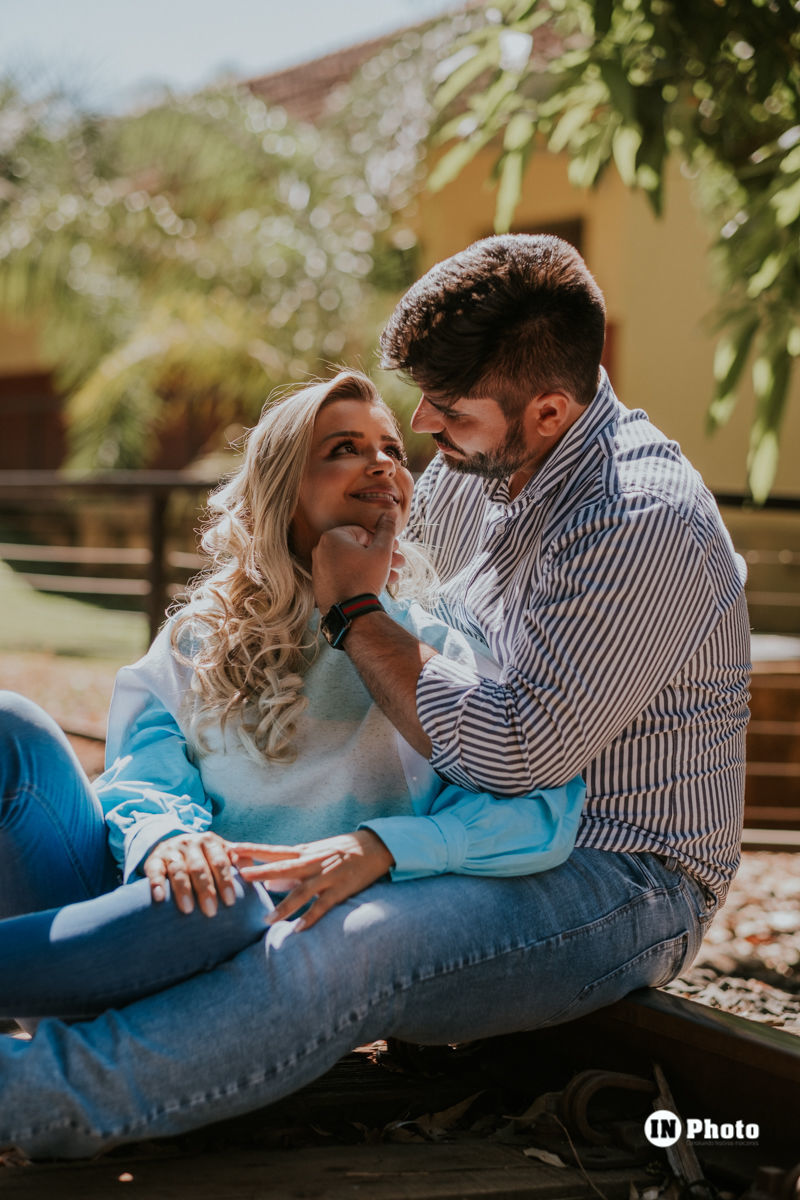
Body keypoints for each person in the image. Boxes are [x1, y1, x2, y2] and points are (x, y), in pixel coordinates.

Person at [0, 235, 749, 1161]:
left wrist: (355, 621)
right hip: (428, 824)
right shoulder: (477, 468)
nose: (421, 428)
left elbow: (517, 762)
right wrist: (166, 823)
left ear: (548, 411)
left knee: (344, 937)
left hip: (614, 870)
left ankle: (31, 1101)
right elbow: (163, 732)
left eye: (445, 411)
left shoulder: (641, 520)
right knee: (31, 746)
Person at [0, 368, 582, 1019]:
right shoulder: (203, 636)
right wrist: (167, 841)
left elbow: (538, 811)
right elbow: (143, 773)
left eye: (392, 448)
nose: (383, 464)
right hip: (137, 911)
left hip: (252, 954)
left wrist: (383, 847)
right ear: (285, 492)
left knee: (235, 899)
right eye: (344, 448)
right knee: (10, 725)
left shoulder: (429, 656)